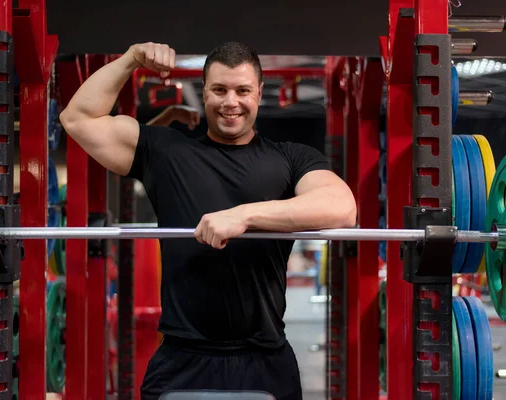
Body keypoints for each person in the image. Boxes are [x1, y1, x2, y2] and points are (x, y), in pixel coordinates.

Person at [60, 41, 357, 400]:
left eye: (242, 90)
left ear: (259, 93)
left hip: (265, 358)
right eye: (219, 89)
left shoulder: (291, 158)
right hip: (181, 359)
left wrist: (244, 215)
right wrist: (130, 60)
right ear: (205, 92)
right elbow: (77, 118)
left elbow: (342, 206)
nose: (231, 101)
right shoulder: (167, 153)